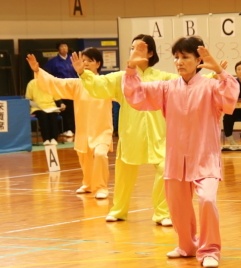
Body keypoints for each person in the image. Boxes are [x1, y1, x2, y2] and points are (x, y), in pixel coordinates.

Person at [123, 36, 239, 268]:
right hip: (176, 158)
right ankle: (187, 246)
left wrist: (219, 72)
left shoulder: (210, 86)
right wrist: (131, 67)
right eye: (176, 57)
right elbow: (136, 95)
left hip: (205, 158)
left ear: (198, 60)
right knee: (177, 205)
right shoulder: (167, 88)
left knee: (207, 199)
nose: (179, 62)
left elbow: (229, 100)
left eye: (185, 57)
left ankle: (210, 250)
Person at [73, 34, 177, 226]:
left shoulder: (163, 78)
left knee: (164, 169)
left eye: (140, 48)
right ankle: (119, 210)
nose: (134, 51)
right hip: (130, 136)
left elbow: (188, 84)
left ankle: (162, 213)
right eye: (132, 48)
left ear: (151, 53)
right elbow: (99, 85)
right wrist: (83, 73)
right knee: (123, 175)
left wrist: (214, 75)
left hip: (159, 137)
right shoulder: (121, 78)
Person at [27, 47, 113, 199]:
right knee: (84, 157)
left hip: (102, 129)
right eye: (83, 60)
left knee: (100, 154)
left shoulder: (106, 82)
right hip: (84, 129)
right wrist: (38, 70)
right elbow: (55, 83)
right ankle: (88, 183)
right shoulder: (76, 84)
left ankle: (101, 187)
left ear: (98, 64)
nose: (85, 64)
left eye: (89, 61)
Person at [44, 41, 77, 137]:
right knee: (64, 109)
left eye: (65, 46)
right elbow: (47, 74)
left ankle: (73, 129)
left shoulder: (73, 59)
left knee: (73, 109)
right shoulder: (53, 62)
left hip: (73, 87)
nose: (64, 48)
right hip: (61, 89)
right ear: (58, 49)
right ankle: (66, 129)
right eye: (62, 46)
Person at [25, 79, 65, 146]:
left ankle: (54, 138)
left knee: (52, 116)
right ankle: (46, 139)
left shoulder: (51, 83)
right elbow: (28, 98)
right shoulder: (31, 83)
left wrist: (61, 104)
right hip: (38, 107)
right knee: (43, 116)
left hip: (51, 106)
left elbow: (57, 98)